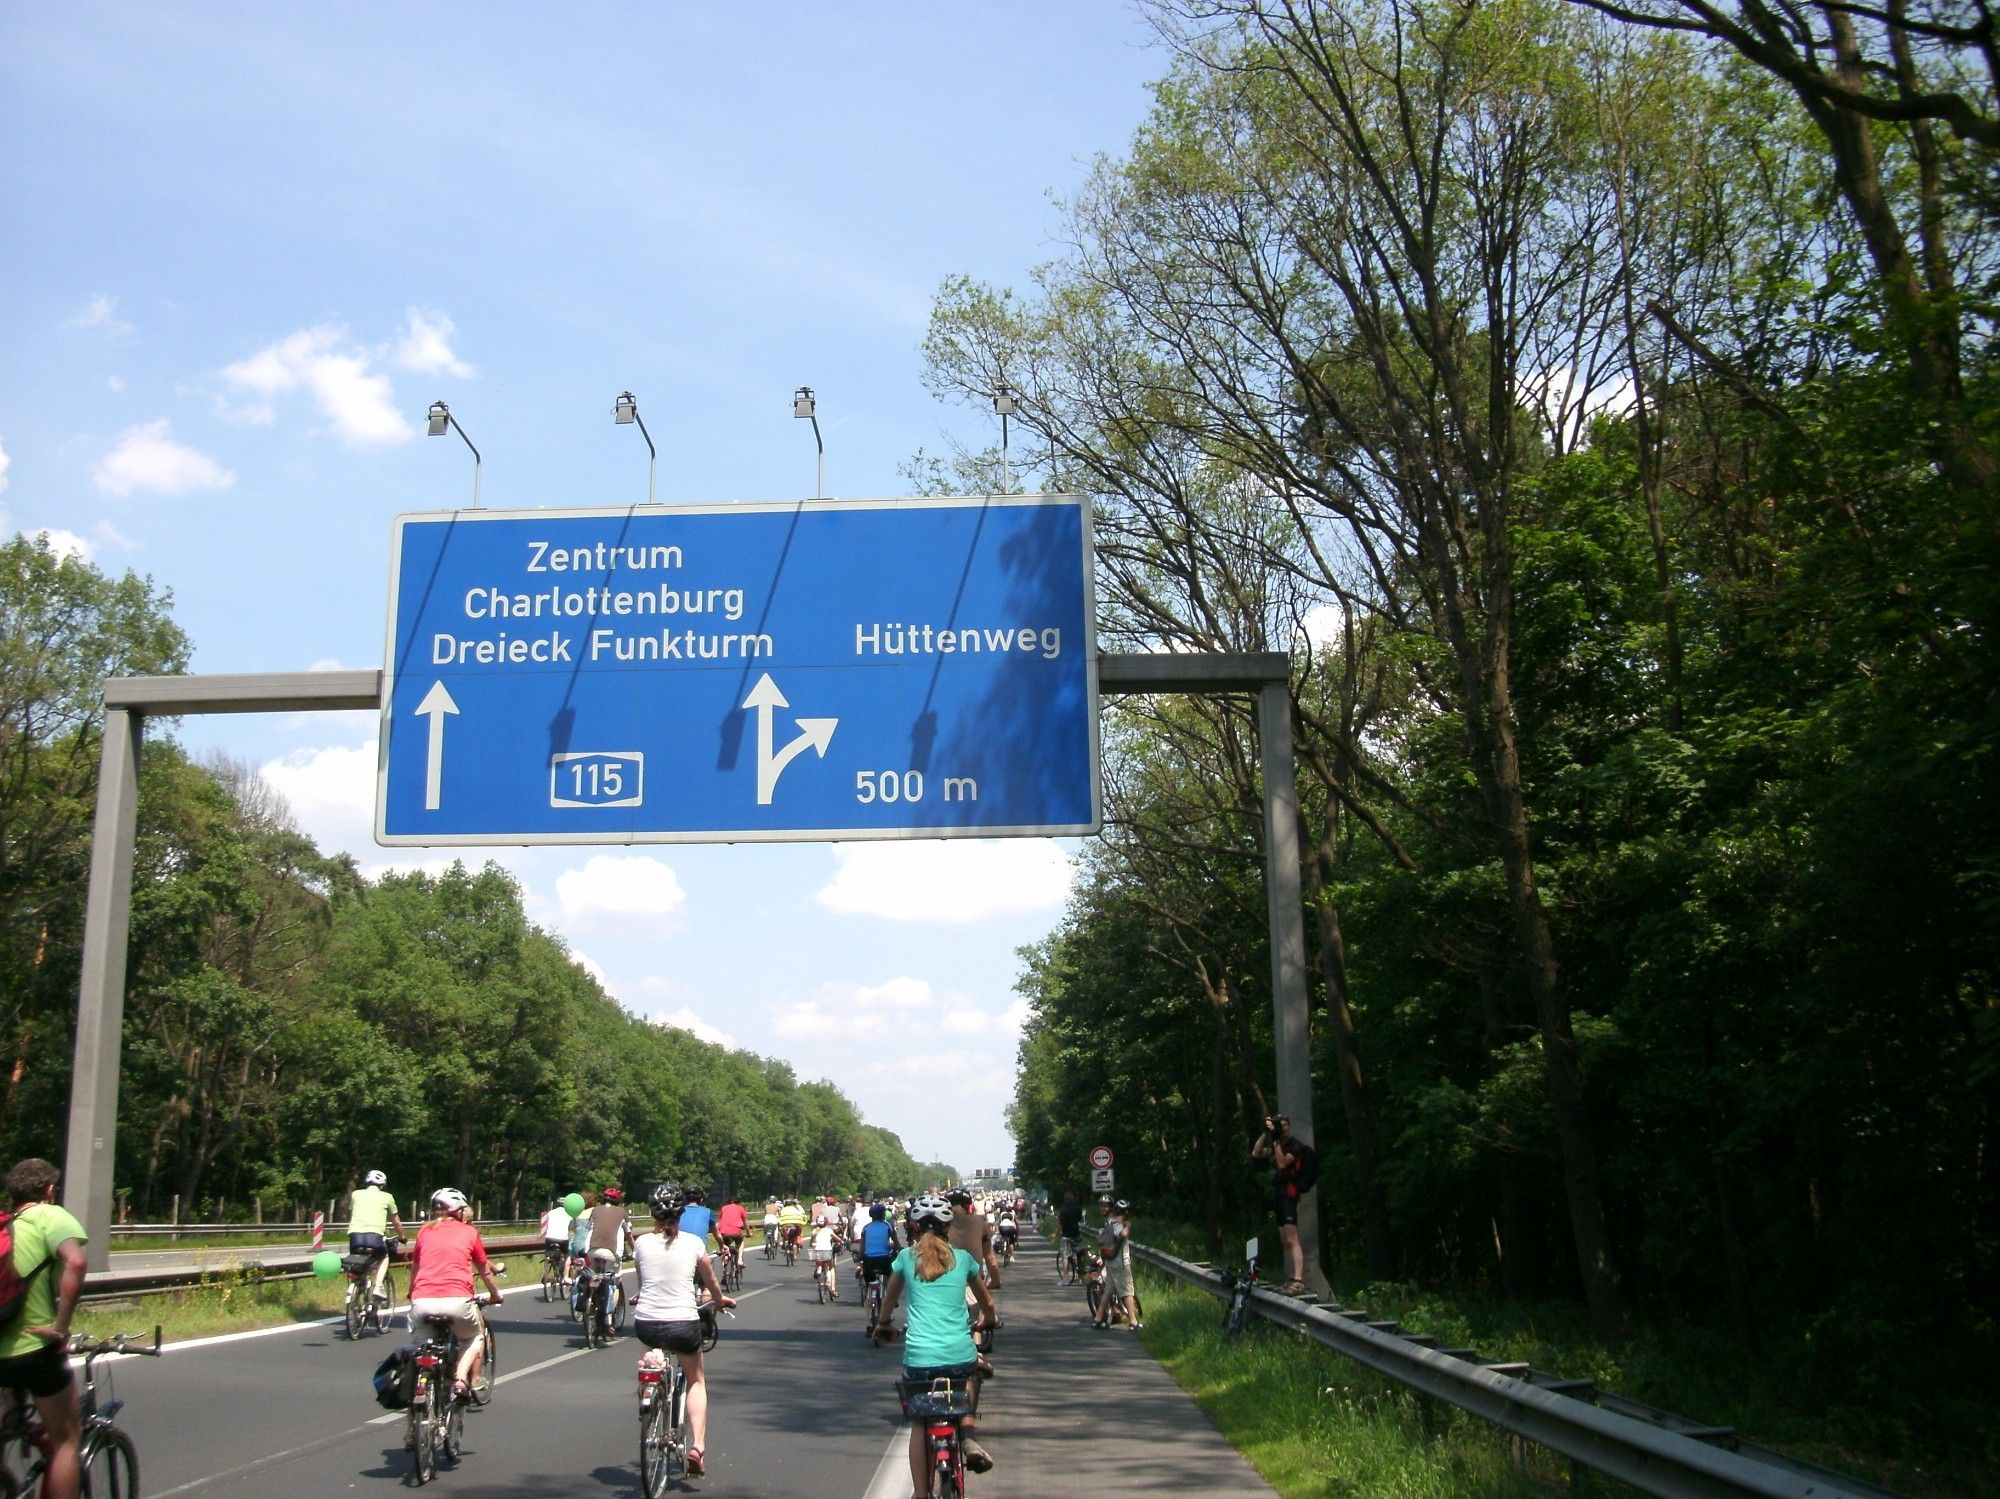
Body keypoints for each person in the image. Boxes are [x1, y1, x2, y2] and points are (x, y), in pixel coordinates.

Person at [873, 1193, 997, 1489]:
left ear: (915, 1226)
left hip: (919, 1358)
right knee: (968, 1374)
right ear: (947, 1226)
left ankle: (920, 1493)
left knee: (920, 1423)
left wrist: (882, 1324)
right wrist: (988, 1320)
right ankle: (967, 1437)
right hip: (958, 1354)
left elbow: (889, 1300)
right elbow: (987, 1303)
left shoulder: (905, 1258)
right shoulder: (964, 1259)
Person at [634, 1183, 737, 1479]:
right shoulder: (693, 1243)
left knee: (650, 1353)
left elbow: (644, 1283)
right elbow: (711, 1282)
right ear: (680, 1216)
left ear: (653, 1216)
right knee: (696, 1381)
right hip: (683, 1323)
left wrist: (643, 1295)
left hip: (648, 1323)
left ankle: (648, 1393)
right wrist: (719, 1302)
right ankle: (698, 1447)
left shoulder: (641, 1243)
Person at [0, 1159, 88, 1499]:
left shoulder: (5, 1225)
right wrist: (60, 1327)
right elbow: (76, 1263)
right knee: (66, 1439)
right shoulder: (50, 1216)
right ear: (49, 1190)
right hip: (35, 1349)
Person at [406, 1187, 501, 1402]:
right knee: (474, 1338)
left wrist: (412, 1293)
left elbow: (415, 1268)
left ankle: (421, 1385)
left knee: (423, 1350)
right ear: (459, 1211)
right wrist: (495, 1294)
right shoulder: (470, 1232)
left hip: (422, 1301)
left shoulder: (424, 1231)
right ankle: (460, 1378)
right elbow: (484, 1270)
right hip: (457, 1301)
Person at [1252, 1112, 1314, 1293]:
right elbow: (1256, 1153)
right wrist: (1267, 1132)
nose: (1282, 1127)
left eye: (1285, 1124)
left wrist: (1277, 1140)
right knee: (1285, 1240)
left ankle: (1298, 1279)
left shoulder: (1295, 1146)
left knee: (1292, 1238)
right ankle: (1291, 1277)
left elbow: (1281, 1164)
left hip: (1289, 1192)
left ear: (1290, 1126)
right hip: (1278, 1193)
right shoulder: (1277, 1144)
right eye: (1280, 1125)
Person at [346, 1169, 406, 1305]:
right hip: (375, 1236)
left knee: (358, 1262)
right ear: (382, 1185)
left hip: (355, 1236)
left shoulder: (356, 1194)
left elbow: (353, 1212)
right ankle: (378, 1287)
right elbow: (396, 1221)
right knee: (384, 1256)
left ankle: (355, 1286)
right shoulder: (387, 1197)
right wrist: (402, 1237)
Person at [582, 1186, 632, 1332]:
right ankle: (608, 1320)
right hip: (611, 1253)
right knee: (614, 1283)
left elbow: (588, 1228)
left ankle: (588, 1299)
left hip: (592, 1251)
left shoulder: (595, 1210)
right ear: (618, 1201)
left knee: (592, 1275)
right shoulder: (622, 1213)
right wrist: (633, 1250)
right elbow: (628, 1234)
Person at [1092, 1198, 1141, 1330]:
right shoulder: (1120, 1225)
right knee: (1127, 1292)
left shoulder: (1109, 1224)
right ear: (1125, 1213)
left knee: (1108, 1291)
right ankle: (1133, 1322)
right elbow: (1124, 1234)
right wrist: (1128, 1225)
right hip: (1120, 1263)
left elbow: (1100, 1239)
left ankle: (1097, 1319)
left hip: (1110, 1263)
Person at [945, 1188, 999, 1288]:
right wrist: (995, 1281)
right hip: (974, 1285)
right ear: (968, 1206)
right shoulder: (980, 1222)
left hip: (947, 1285)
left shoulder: (941, 1224)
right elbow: (989, 1256)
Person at [854, 1201, 901, 1309]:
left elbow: (863, 1246)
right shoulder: (887, 1225)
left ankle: (869, 1292)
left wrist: (861, 1255)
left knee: (868, 1278)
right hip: (884, 1259)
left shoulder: (866, 1228)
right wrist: (899, 1248)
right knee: (890, 1274)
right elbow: (896, 1241)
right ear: (883, 1214)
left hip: (868, 1260)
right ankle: (892, 1298)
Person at [809, 1214, 842, 1299]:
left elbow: (812, 1243)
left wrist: (813, 1244)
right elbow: (837, 1239)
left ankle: (819, 1269)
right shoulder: (828, 1230)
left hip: (817, 1252)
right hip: (827, 1251)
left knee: (819, 1263)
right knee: (831, 1268)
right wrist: (841, 1241)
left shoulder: (814, 1231)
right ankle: (832, 1288)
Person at [715, 1193, 748, 1275]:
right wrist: (748, 1232)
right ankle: (739, 1260)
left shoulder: (724, 1208)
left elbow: (720, 1221)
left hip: (724, 1232)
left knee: (724, 1248)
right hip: (736, 1233)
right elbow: (745, 1223)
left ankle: (724, 1267)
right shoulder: (741, 1208)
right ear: (739, 1202)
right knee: (741, 1241)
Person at [1055, 1192, 1083, 1284]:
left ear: (1065, 1200)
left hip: (1066, 1236)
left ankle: (1066, 1278)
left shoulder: (1063, 1210)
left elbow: (1060, 1224)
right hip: (1076, 1235)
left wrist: (1055, 1233)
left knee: (1065, 1256)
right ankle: (1080, 1278)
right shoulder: (1078, 1208)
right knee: (1078, 1255)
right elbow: (1080, 1219)